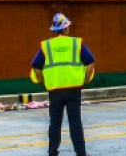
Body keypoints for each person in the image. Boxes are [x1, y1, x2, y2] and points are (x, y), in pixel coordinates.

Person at [31, 13, 95, 156]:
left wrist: (43, 81)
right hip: (74, 89)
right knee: (75, 122)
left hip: (55, 90)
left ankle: (53, 152)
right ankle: (81, 153)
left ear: (54, 30)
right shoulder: (76, 43)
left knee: (55, 122)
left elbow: (36, 66)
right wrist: (85, 80)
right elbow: (90, 63)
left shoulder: (46, 46)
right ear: (66, 29)